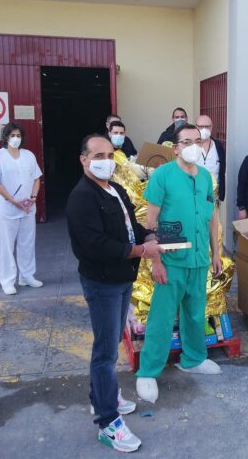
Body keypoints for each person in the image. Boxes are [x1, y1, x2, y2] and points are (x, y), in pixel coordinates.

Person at [66, 134, 163, 453]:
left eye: (110, 154)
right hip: (102, 282)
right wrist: (139, 250)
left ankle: (102, 398)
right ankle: (108, 422)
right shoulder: (82, 197)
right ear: (83, 159)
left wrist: (148, 234)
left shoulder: (115, 189)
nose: (106, 160)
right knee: (105, 351)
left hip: (122, 280)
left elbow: (128, 225)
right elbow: (94, 246)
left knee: (107, 346)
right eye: (98, 155)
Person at [136, 124, 223, 404]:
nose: (193, 146)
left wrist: (216, 254)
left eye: (198, 140)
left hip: (198, 260)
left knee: (196, 314)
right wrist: (157, 261)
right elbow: (150, 224)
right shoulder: (162, 176)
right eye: (186, 141)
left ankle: (194, 358)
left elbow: (211, 218)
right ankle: (148, 371)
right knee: (161, 317)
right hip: (171, 260)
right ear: (175, 148)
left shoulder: (206, 178)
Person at [0, 122, 43, 295]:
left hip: (27, 208)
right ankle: (7, 280)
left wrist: (33, 198)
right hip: (7, 209)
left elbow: (36, 178)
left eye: (18, 136)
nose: (16, 138)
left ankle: (26, 276)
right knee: (6, 245)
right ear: (5, 137)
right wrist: (13, 200)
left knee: (27, 243)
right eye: (12, 135)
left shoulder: (28, 155)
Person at [195, 114, 226, 202]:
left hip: (214, 195)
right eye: (201, 127)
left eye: (207, 126)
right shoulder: (191, 146)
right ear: (195, 127)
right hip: (194, 194)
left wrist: (221, 194)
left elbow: (222, 171)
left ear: (212, 127)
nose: (204, 129)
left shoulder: (218, 146)